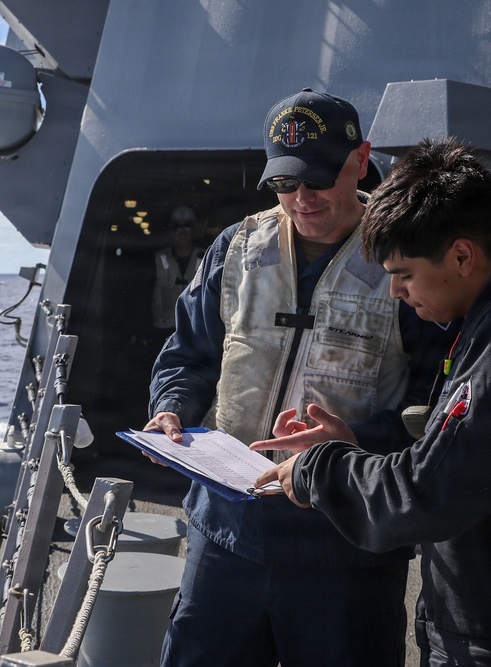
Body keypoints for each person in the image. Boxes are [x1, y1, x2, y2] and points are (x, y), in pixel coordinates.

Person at [253, 137, 491, 666]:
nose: (396, 292)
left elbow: (427, 494)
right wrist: (353, 443)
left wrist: (319, 469)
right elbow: (454, 462)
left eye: (404, 274)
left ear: (462, 255)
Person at [145, 89, 455, 667]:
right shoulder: (236, 248)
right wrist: (171, 408)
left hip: (346, 540)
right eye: (285, 184)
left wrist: (358, 442)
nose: (301, 199)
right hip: (227, 530)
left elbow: (436, 405)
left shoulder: (406, 259)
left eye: (317, 179)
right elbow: (188, 352)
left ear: (361, 161)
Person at [150, 206, 204, 350]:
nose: (182, 230)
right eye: (177, 226)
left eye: (187, 225)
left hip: (196, 334)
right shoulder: (156, 260)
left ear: (195, 228)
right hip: (162, 333)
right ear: (170, 229)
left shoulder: (207, 258)